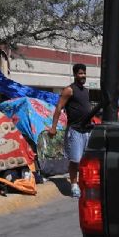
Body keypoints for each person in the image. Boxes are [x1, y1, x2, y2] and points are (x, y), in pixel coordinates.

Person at [48, 63, 92, 199]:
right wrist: (53, 127)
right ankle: (74, 186)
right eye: (80, 73)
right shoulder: (69, 90)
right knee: (75, 160)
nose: (82, 76)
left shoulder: (86, 91)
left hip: (87, 130)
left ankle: (83, 183)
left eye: (84, 73)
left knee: (86, 160)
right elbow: (59, 108)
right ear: (74, 75)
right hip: (75, 131)